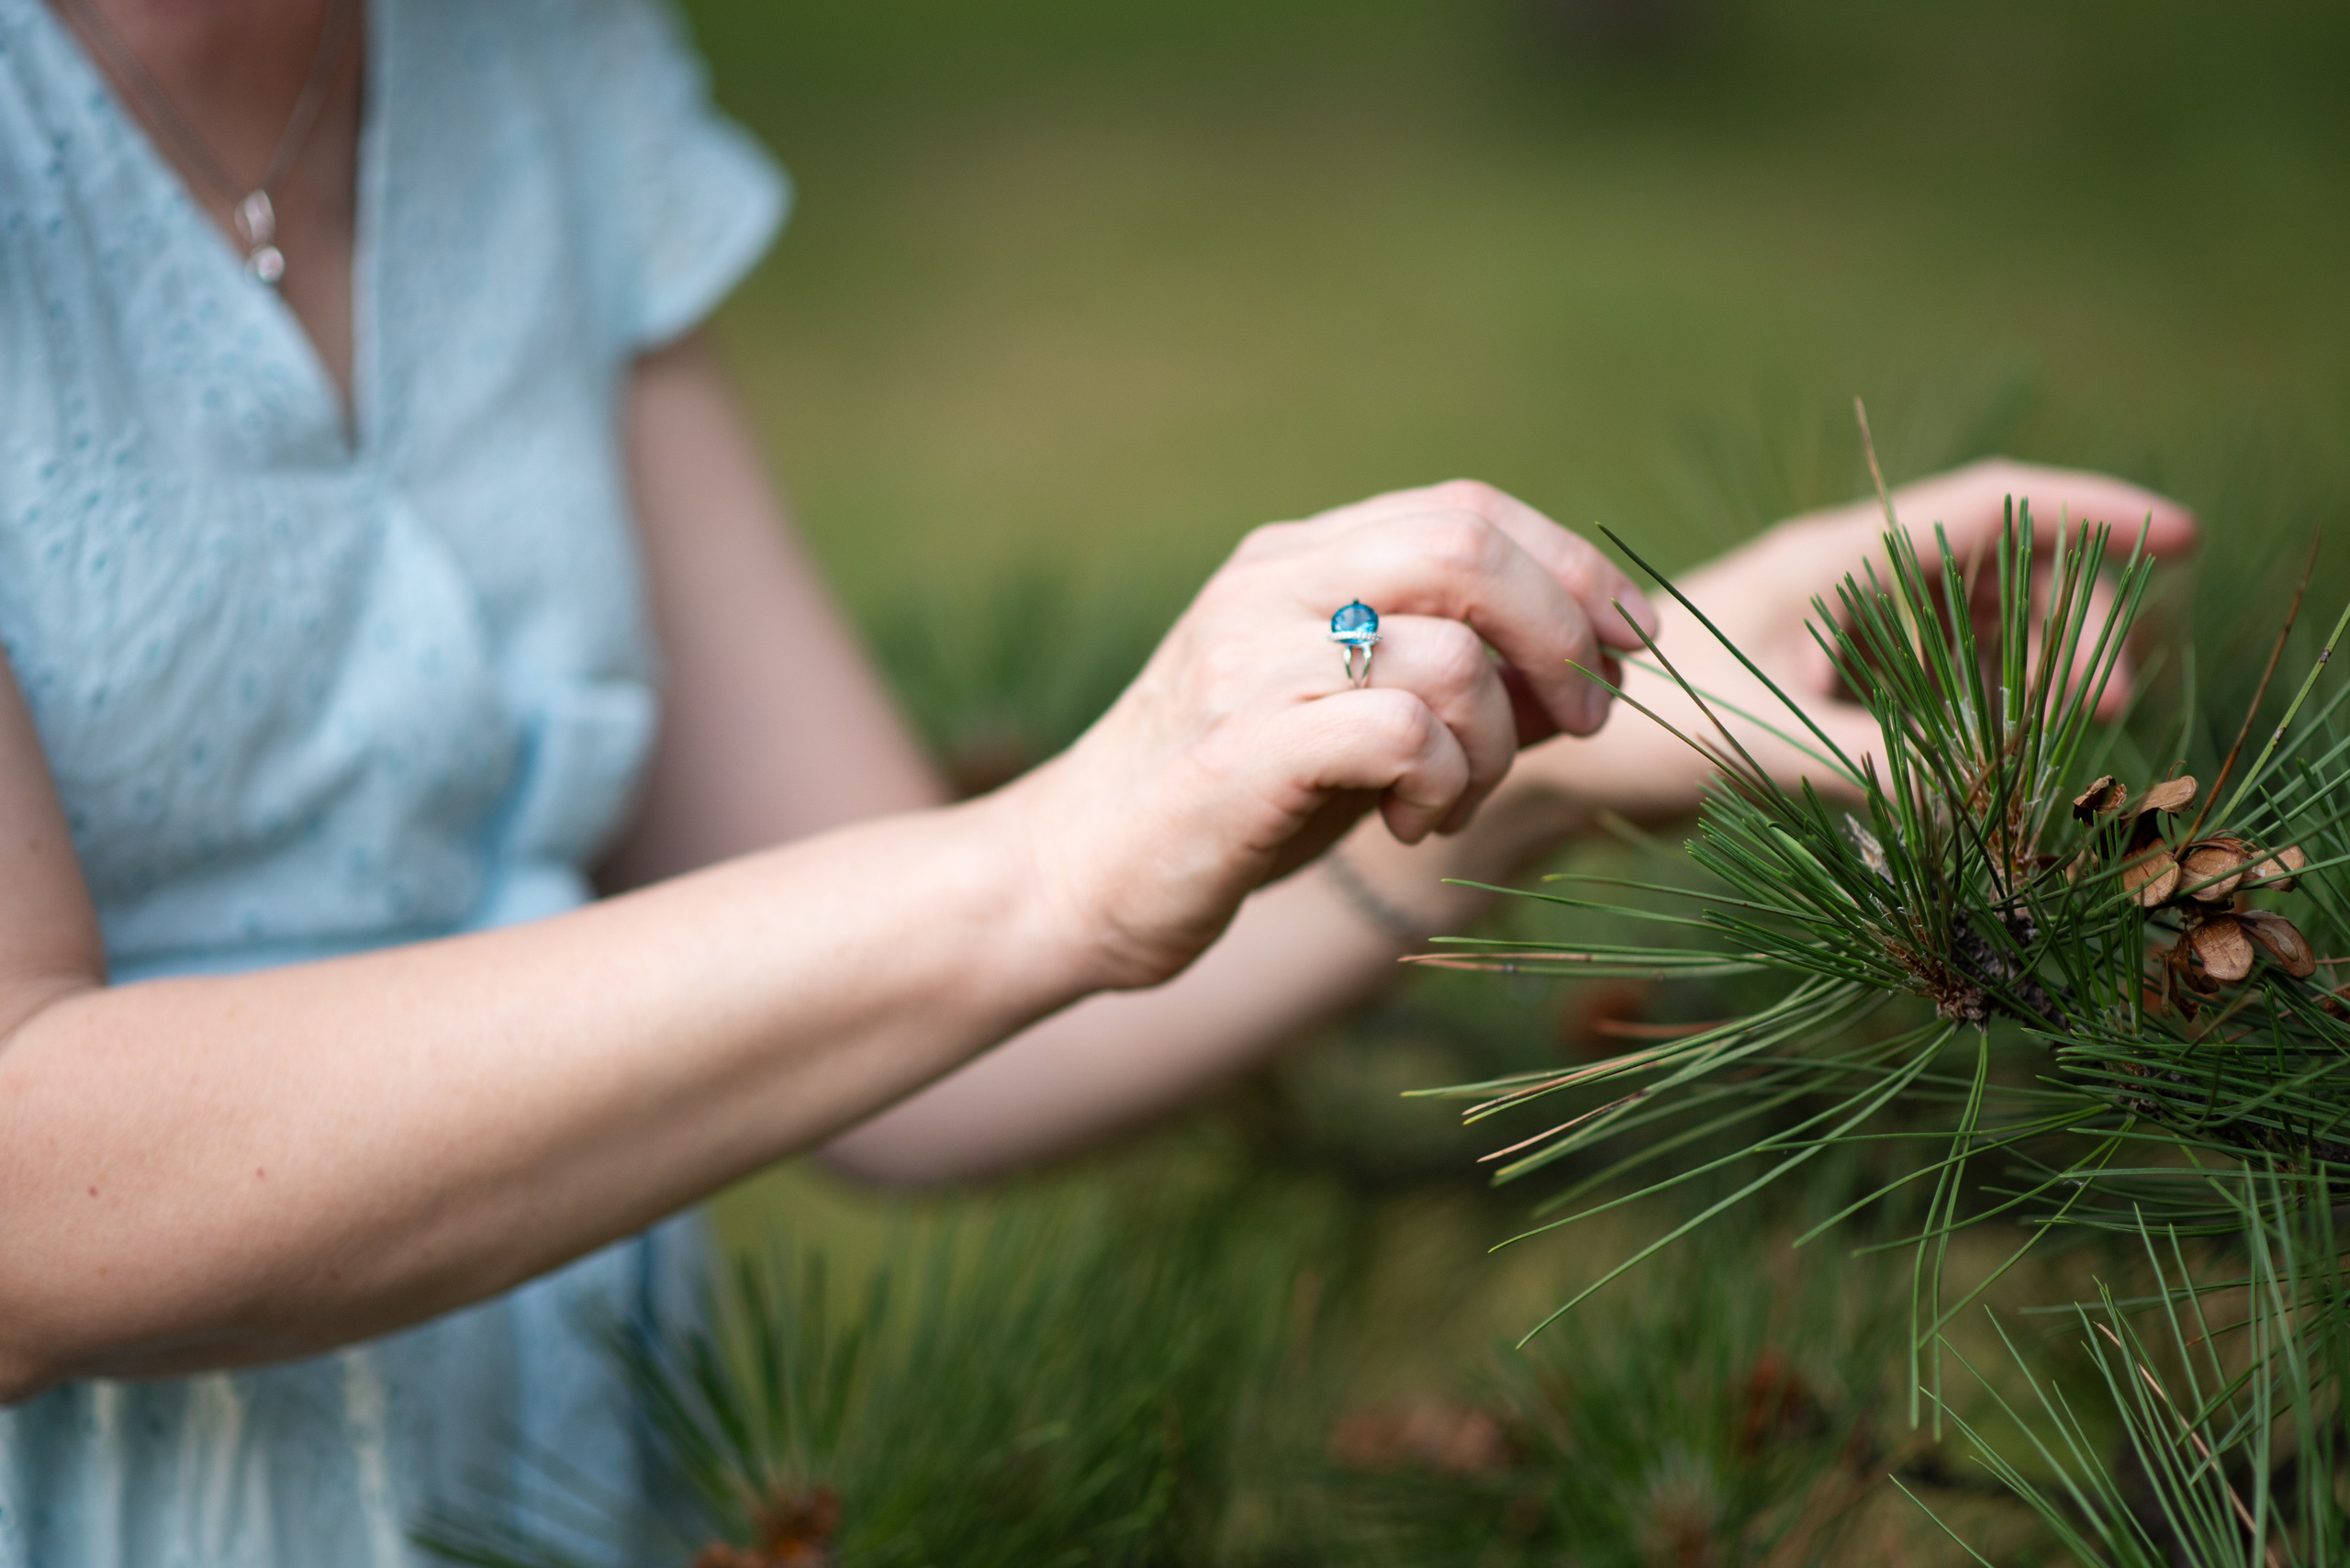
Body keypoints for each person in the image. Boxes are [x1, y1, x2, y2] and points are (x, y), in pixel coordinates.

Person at [0, 0, 2196, 1559]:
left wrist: (1528, 760)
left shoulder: (532, 60)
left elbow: (905, 1037)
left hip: (564, 1496)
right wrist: (1049, 848)